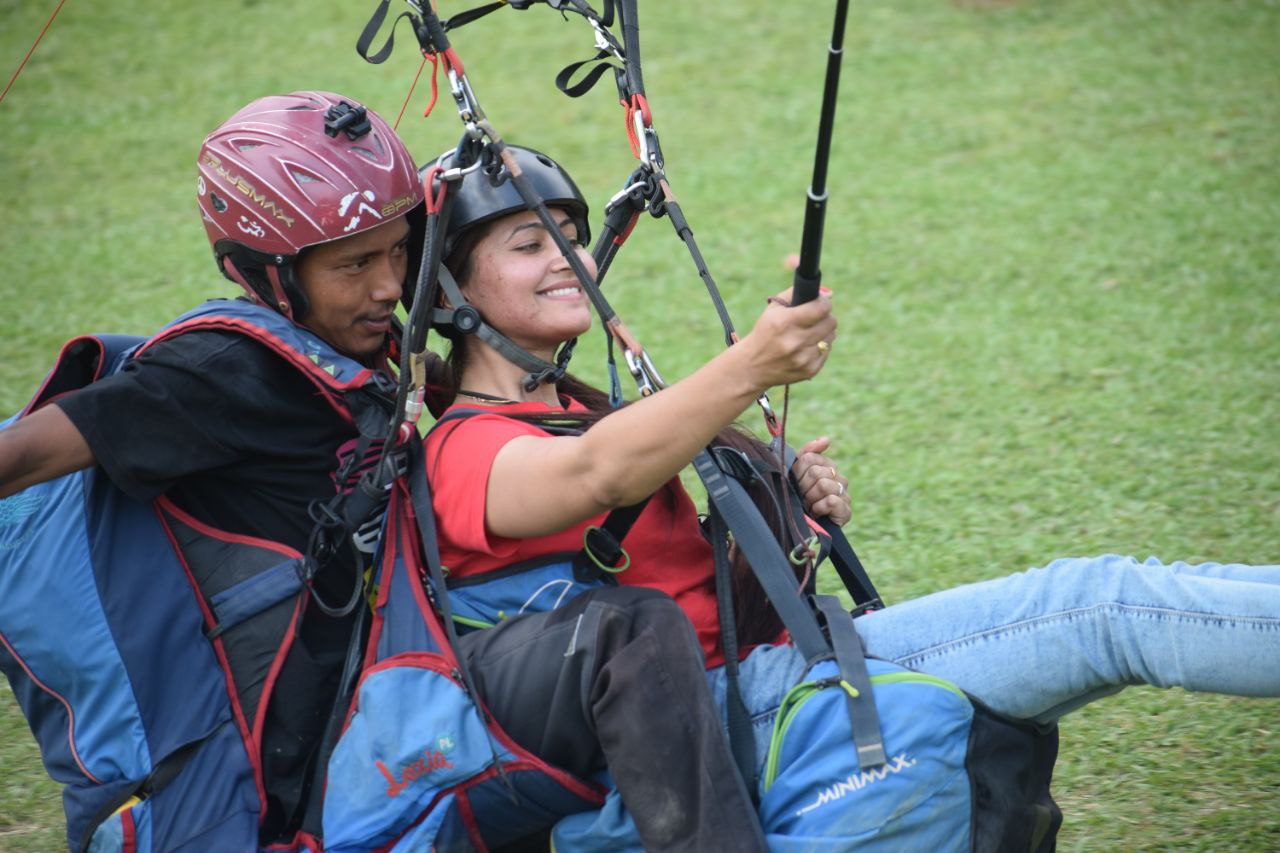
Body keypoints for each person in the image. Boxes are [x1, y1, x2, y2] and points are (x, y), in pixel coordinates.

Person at [0, 92, 767, 852]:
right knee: (620, 631)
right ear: (268, 275)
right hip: (295, 767)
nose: (388, 286)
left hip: (399, 694)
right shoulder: (218, 374)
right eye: (354, 264)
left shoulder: (361, 358)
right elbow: (28, 454)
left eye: (398, 251)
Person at [422, 144, 1280, 802]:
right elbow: (597, 475)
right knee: (1104, 606)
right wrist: (750, 367)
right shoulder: (462, 450)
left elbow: (642, 493)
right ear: (453, 295)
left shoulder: (574, 404)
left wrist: (784, 498)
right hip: (715, 720)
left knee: (1127, 599)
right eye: (531, 244)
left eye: (572, 238)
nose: (568, 257)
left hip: (772, 674)